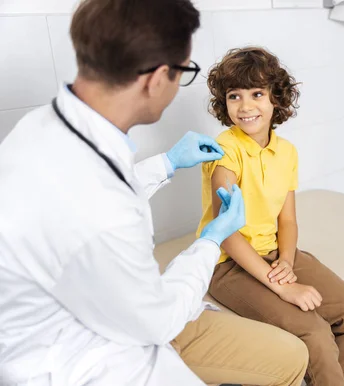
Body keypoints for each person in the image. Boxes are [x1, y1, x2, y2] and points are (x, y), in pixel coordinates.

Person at [0, 1, 308, 385]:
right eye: (184, 72)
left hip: (82, 318)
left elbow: (98, 187)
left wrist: (166, 163)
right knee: (292, 358)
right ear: (157, 77)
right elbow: (157, 320)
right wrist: (210, 240)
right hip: (91, 359)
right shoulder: (101, 200)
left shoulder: (41, 129)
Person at [197, 46, 344, 386]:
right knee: (315, 332)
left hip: (276, 255)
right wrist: (282, 287)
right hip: (228, 264)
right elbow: (226, 232)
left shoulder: (286, 151)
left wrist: (287, 261)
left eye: (257, 93)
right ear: (224, 102)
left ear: (276, 98)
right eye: (235, 96)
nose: (245, 106)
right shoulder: (225, 150)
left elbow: (287, 221)